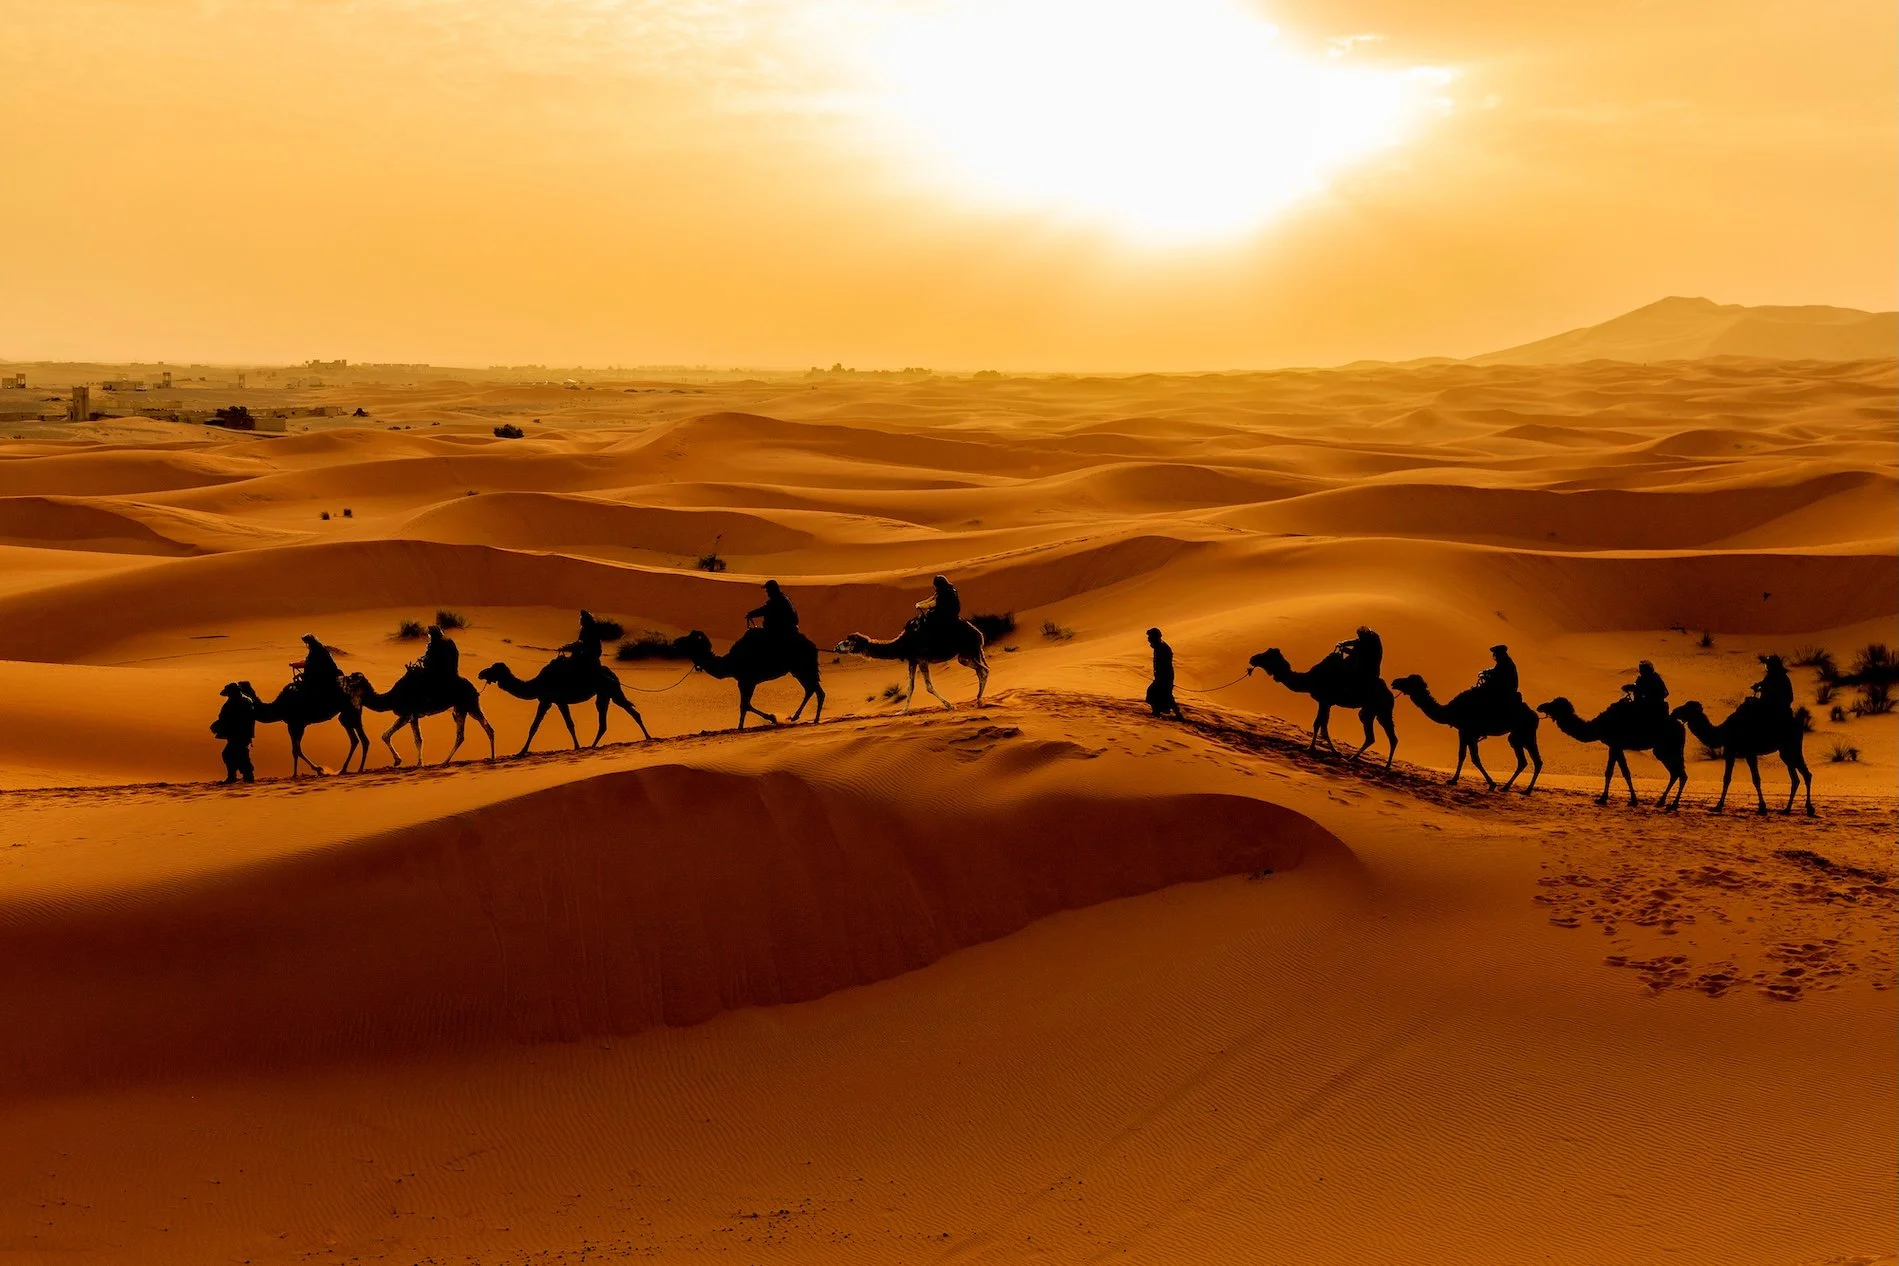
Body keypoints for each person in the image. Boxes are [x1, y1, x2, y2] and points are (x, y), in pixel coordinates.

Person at [210, 681, 257, 784]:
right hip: (237, 733)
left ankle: (240, 776)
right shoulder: (238, 701)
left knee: (232, 754)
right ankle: (239, 776)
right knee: (236, 754)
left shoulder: (241, 702)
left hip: (240, 734)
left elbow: (238, 719)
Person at [293, 633, 344, 701]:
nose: (306, 644)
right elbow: (310, 662)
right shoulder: (315, 649)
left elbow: (315, 663)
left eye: (306, 642)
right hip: (321, 670)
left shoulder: (318, 650)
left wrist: (306, 665)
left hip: (325, 672)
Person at [1145, 627, 1183, 719]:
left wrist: (1160, 675)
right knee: (1159, 693)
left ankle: (1176, 715)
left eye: (1150, 637)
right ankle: (1159, 712)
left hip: (1165, 675)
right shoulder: (1159, 647)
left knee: (1158, 693)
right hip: (1163, 675)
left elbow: (1164, 663)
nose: (1149, 640)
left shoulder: (1162, 648)